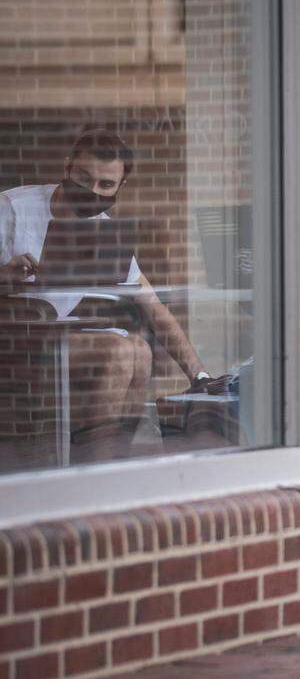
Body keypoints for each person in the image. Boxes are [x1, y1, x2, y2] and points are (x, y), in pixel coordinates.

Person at [0, 129, 213, 461]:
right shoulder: (12, 208)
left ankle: (110, 466)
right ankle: (97, 471)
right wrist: (4, 276)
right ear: (68, 167)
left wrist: (199, 376)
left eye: (105, 185)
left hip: (59, 337)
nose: (91, 190)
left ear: (119, 187)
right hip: (14, 340)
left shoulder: (103, 229)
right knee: (116, 350)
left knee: (140, 351)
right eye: (84, 178)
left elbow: (152, 304)